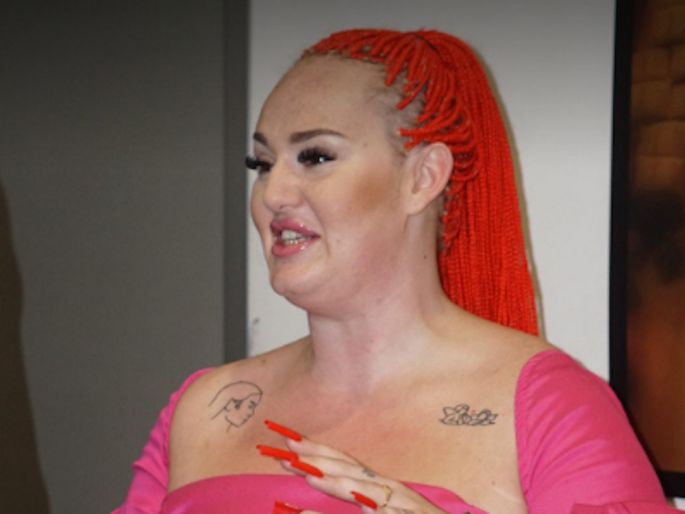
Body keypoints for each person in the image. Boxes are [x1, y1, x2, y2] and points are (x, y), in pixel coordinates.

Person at [113, 29, 672, 514]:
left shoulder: (549, 409)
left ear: (423, 177)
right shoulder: (203, 408)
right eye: (262, 164)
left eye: (315, 157)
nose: (272, 193)